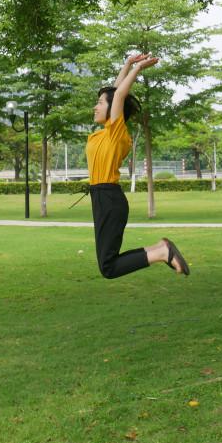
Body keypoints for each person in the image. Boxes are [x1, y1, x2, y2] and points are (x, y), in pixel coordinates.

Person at [86, 53, 189, 278]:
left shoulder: (117, 133)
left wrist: (138, 68)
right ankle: (161, 250)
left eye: (99, 103)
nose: (95, 107)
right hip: (101, 198)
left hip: (108, 198)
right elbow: (114, 93)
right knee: (107, 264)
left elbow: (118, 95)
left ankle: (162, 252)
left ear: (113, 109)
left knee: (108, 268)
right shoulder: (104, 133)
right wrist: (127, 64)